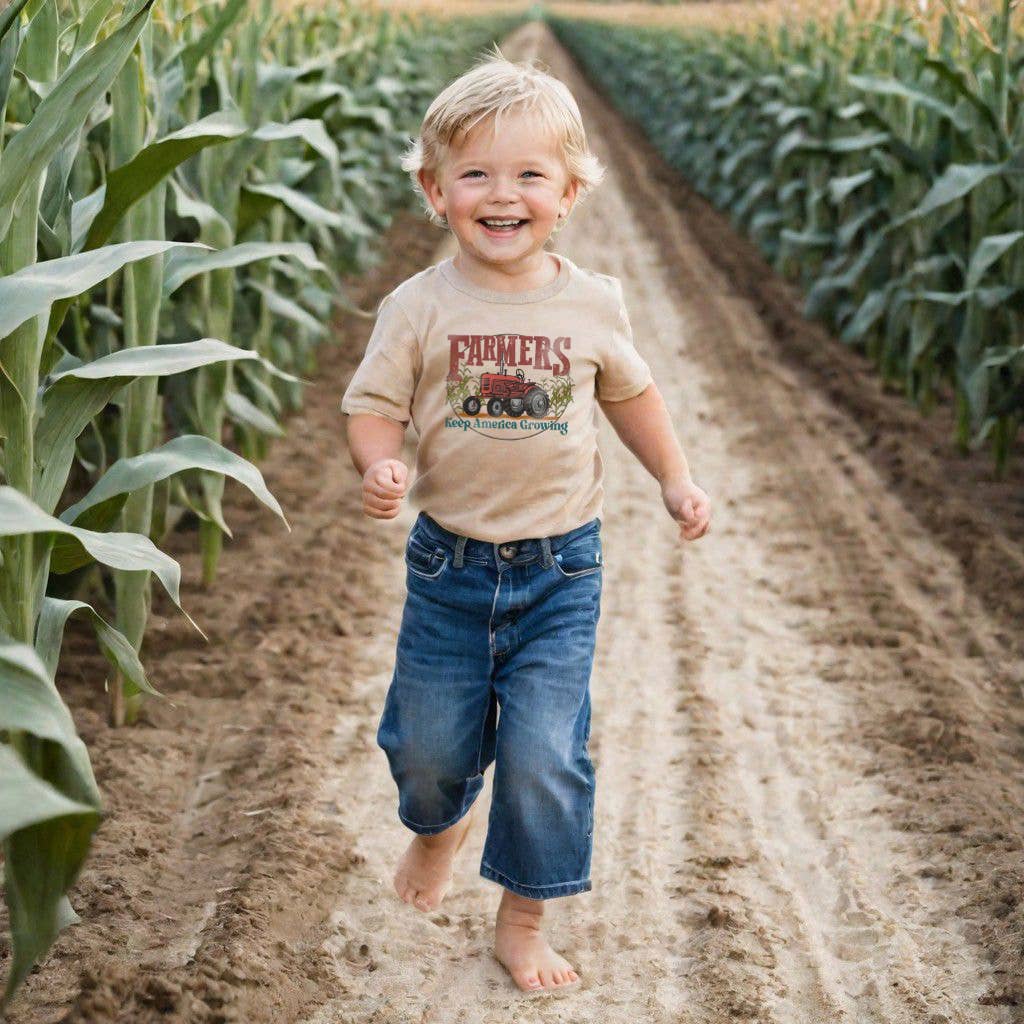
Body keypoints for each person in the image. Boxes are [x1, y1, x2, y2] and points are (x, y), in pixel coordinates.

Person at [340, 44, 711, 995]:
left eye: (529, 175)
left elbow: (632, 396)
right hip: (449, 568)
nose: (502, 195)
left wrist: (672, 478)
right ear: (434, 190)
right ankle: (437, 825)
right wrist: (381, 460)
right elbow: (371, 404)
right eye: (475, 174)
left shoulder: (591, 303)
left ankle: (523, 919)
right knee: (429, 751)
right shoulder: (418, 306)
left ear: (570, 192)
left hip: (560, 573)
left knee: (546, 753)